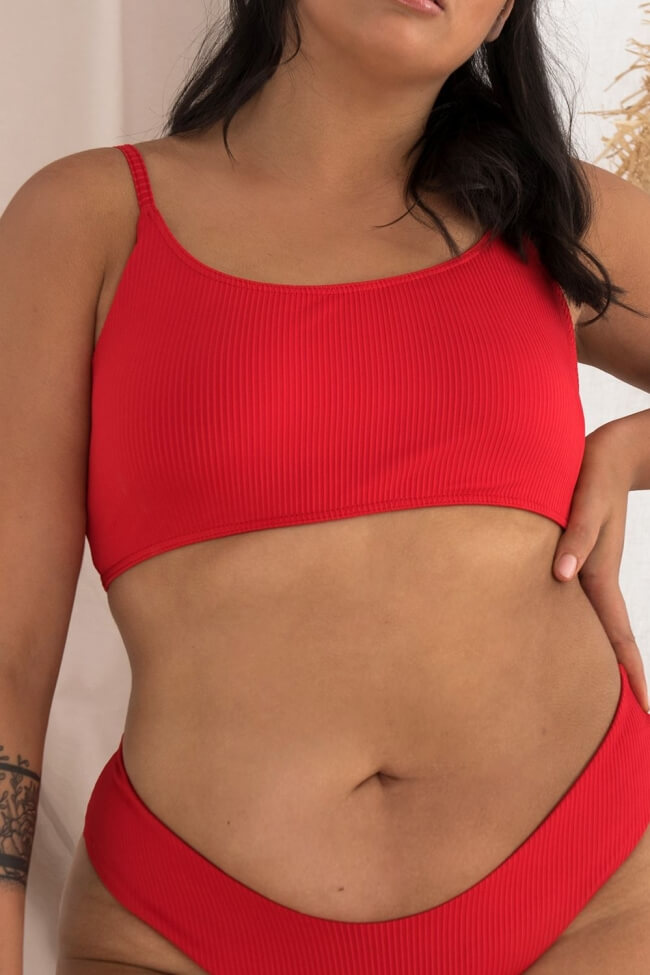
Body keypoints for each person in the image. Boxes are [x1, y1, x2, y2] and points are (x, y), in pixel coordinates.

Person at [2, 0, 650, 972]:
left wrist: (631, 451)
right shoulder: (85, 220)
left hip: (586, 900)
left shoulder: (551, 213)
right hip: (181, 933)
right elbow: (8, 664)